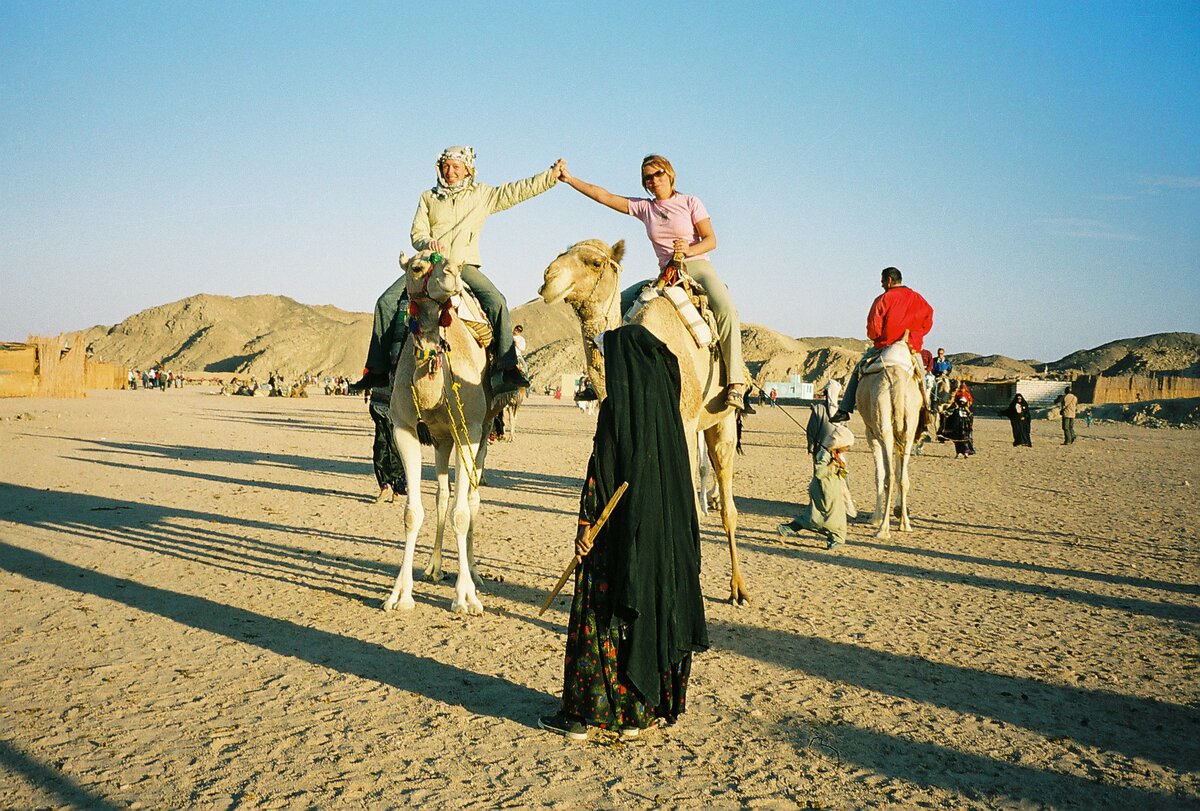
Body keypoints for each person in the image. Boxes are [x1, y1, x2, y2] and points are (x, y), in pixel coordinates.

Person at [539, 325, 708, 742]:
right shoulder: (666, 417)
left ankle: (582, 716)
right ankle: (636, 713)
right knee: (642, 608)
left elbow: (601, 474)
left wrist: (584, 528)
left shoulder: (617, 410)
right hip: (657, 544)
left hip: (610, 537)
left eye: (610, 359)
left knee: (598, 613)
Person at [351, 147, 563, 395]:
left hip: (463, 265)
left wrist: (551, 176)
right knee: (386, 302)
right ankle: (377, 370)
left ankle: (507, 368)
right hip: (430, 265)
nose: (450, 172)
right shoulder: (428, 197)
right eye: (446, 166)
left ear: (468, 170)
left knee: (497, 302)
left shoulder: (482, 195)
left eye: (456, 167)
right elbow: (417, 232)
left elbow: (516, 191)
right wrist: (426, 243)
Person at [558, 155, 751, 413]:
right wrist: (569, 179)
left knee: (726, 310)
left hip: (697, 267)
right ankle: (608, 376)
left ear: (669, 174)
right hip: (665, 274)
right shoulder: (645, 208)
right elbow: (604, 196)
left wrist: (689, 249)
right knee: (619, 307)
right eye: (648, 177)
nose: (654, 180)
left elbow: (711, 240)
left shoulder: (690, 202)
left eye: (658, 174)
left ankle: (736, 383)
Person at [832, 267, 934, 422]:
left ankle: (844, 409)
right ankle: (925, 413)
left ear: (889, 280)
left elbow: (873, 327)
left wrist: (878, 337)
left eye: (882, 281)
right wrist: (915, 336)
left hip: (885, 346)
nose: (881, 285)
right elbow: (927, 322)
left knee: (857, 370)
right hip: (910, 348)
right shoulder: (919, 299)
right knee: (922, 377)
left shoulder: (883, 298)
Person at [778, 412, 856, 550]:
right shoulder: (824, 454)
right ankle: (788, 528)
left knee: (837, 518)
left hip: (833, 491)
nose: (847, 449)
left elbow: (840, 474)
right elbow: (819, 473)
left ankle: (836, 539)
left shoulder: (836, 454)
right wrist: (832, 465)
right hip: (822, 491)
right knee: (816, 518)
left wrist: (841, 468)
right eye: (847, 446)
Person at [941, 393, 975, 458]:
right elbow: (949, 414)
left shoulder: (967, 410)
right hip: (957, 427)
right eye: (960, 401)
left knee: (965, 439)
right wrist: (945, 414)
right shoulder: (955, 409)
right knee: (957, 440)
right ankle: (958, 452)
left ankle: (966, 452)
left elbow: (970, 418)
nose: (961, 403)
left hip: (965, 428)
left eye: (963, 401)